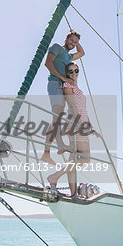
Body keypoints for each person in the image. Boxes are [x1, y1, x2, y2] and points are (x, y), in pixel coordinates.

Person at [47, 62, 100, 196]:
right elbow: (71, 105)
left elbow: (84, 110)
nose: (74, 73)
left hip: (80, 123)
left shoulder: (78, 88)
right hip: (76, 124)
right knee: (86, 157)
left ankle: (74, 194)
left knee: (73, 161)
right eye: (71, 71)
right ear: (66, 74)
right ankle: (54, 177)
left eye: (76, 70)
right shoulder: (68, 86)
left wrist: (91, 127)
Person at [41, 31, 85, 165]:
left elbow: (82, 53)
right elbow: (48, 63)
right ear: (66, 38)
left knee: (56, 117)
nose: (73, 43)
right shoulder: (57, 48)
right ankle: (59, 144)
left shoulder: (69, 57)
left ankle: (46, 153)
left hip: (63, 86)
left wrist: (77, 40)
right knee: (57, 114)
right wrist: (63, 78)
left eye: (75, 42)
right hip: (55, 84)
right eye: (71, 40)